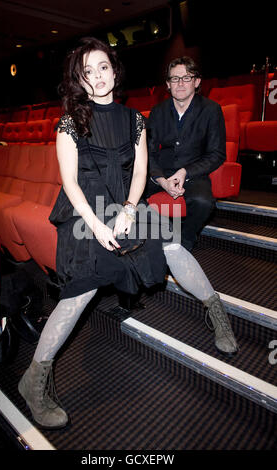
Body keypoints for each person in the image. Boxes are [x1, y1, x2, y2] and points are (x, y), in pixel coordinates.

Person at [18, 38, 238, 431]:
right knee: (81, 285)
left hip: (124, 206)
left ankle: (215, 310)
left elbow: (138, 172)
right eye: (89, 71)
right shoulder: (70, 122)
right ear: (80, 80)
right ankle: (34, 378)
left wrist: (131, 209)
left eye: (104, 67)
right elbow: (69, 182)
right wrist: (98, 223)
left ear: (115, 72)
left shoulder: (135, 119)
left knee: (169, 242)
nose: (98, 76)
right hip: (85, 210)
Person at [145, 56, 226, 252]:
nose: (180, 83)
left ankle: (186, 240)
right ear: (167, 84)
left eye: (186, 78)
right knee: (125, 191)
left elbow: (217, 153)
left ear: (197, 82)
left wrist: (185, 172)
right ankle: (144, 243)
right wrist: (161, 179)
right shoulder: (157, 111)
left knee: (203, 202)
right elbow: (149, 151)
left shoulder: (211, 110)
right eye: (175, 78)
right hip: (160, 172)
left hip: (192, 173)